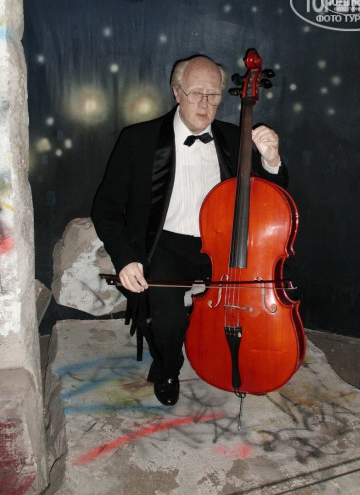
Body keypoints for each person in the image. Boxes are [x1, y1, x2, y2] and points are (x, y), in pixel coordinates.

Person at [91, 54, 288, 406]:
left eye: (213, 95)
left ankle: (243, 358)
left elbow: (274, 199)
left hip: (225, 247)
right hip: (164, 245)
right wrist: (125, 257)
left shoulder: (235, 138)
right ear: (177, 92)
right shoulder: (139, 139)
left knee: (248, 307)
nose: (205, 104)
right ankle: (168, 367)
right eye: (196, 93)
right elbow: (105, 208)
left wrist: (271, 161)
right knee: (166, 320)